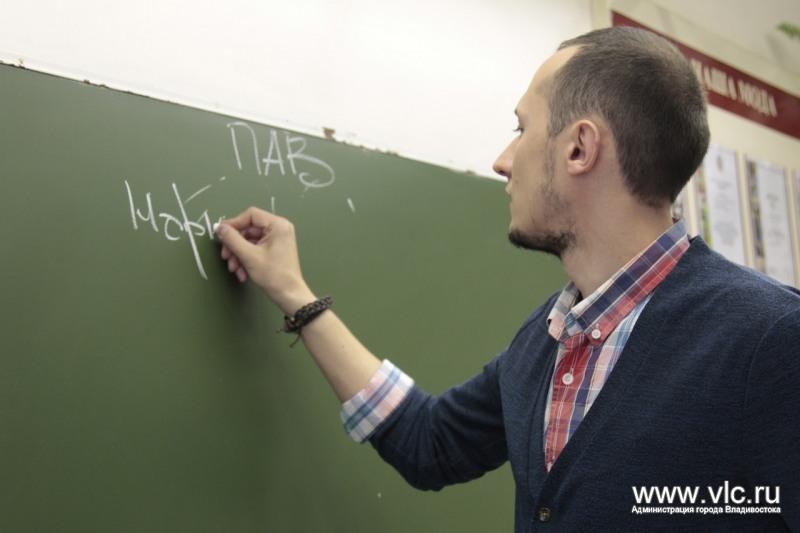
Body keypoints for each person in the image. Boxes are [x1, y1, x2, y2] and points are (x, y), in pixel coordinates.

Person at [214, 26, 800, 532]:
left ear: (579, 148)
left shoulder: (771, 338)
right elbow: (429, 442)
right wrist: (294, 293)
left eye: (521, 130)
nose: (502, 160)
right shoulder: (546, 341)